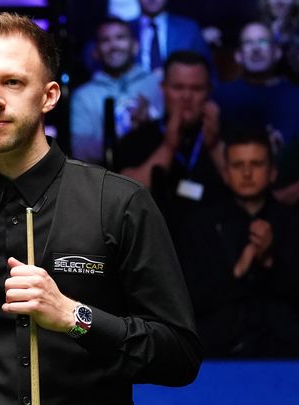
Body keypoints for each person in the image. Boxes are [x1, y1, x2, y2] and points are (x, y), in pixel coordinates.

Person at [0, 13, 201, 405]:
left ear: (49, 96)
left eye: (12, 82)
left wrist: (74, 316)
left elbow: (181, 356)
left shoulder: (119, 203)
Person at [179, 130, 299, 357]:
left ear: (273, 172)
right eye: (238, 165)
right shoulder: (200, 225)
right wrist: (238, 271)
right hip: (217, 352)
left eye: (256, 164)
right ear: (225, 173)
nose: (246, 173)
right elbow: (189, 299)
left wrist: (269, 261)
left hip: (286, 352)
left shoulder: (292, 223)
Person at [116, 50, 229, 237]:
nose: (186, 97)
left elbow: (246, 190)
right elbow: (126, 198)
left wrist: (214, 146)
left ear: (209, 90)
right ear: (163, 88)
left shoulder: (227, 134)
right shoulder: (137, 138)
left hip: (217, 240)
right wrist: (168, 147)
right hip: (156, 239)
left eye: (196, 89)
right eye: (178, 87)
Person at [212, 21, 299, 206]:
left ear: (277, 52)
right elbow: (210, 146)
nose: (256, 49)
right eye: (249, 43)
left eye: (263, 42)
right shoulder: (220, 97)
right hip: (229, 202)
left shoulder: (296, 96)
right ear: (238, 55)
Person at [70, 17, 162, 164]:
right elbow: (80, 151)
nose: (113, 45)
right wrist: (130, 138)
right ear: (96, 52)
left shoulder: (157, 85)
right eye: (105, 40)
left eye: (120, 38)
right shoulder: (83, 96)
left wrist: (151, 121)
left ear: (135, 46)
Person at [130, 0, 212, 75]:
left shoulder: (189, 28)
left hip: (181, 87)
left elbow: (207, 71)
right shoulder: (126, 29)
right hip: (135, 88)